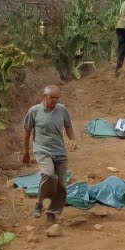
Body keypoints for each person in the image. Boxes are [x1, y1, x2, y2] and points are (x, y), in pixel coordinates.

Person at [22, 85, 77, 224]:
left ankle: (52, 212)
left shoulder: (62, 110)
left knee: (61, 185)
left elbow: (68, 126)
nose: (55, 101)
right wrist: (26, 152)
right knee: (48, 174)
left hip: (60, 151)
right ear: (44, 96)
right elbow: (27, 132)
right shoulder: (34, 111)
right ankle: (39, 203)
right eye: (52, 98)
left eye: (57, 98)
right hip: (42, 150)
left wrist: (72, 139)